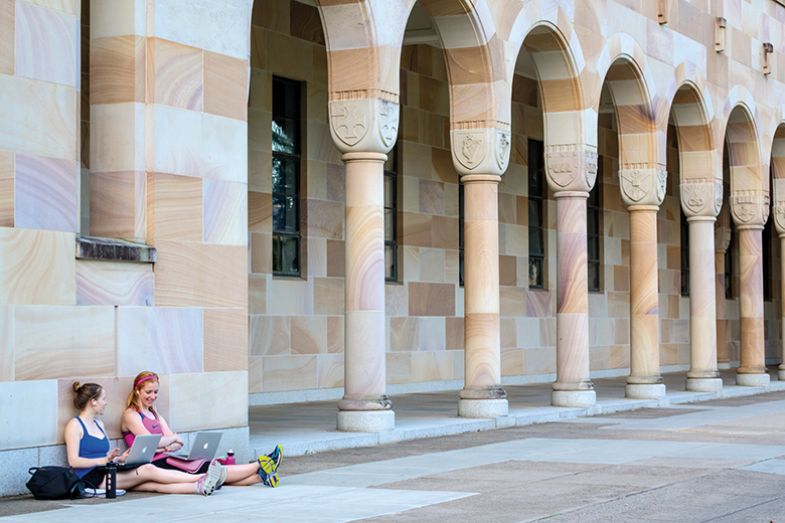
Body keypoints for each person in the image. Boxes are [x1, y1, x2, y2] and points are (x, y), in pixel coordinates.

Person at [121, 371, 283, 487]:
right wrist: (168, 441)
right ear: (137, 391)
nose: (153, 396)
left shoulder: (155, 414)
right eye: (148, 392)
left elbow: (178, 443)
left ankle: (259, 477)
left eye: (156, 392)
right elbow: (150, 442)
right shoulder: (131, 415)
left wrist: (165, 443)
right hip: (152, 464)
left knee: (207, 467)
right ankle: (261, 464)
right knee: (206, 469)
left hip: (165, 458)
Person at [64, 382, 225, 495]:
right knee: (148, 469)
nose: (106, 403)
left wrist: (119, 458)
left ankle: (199, 487)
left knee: (152, 485)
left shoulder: (99, 424)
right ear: (93, 402)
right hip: (89, 478)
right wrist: (104, 460)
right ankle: (201, 477)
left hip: (106, 470)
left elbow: (105, 458)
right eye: (103, 399)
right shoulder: (74, 426)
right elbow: (74, 462)